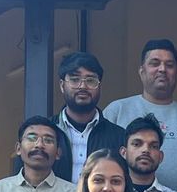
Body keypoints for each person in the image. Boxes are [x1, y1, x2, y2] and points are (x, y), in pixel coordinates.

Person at [102, 39, 177, 192]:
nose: (162, 69)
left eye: (169, 65)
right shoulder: (116, 111)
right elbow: (101, 163)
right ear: (141, 71)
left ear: (176, 72)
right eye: (155, 63)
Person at [51, 52, 126, 182]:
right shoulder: (47, 132)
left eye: (90, 80)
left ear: (100, 86)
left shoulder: (119, 136)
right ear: (62, 86)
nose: (83, 86)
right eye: (75, 79)